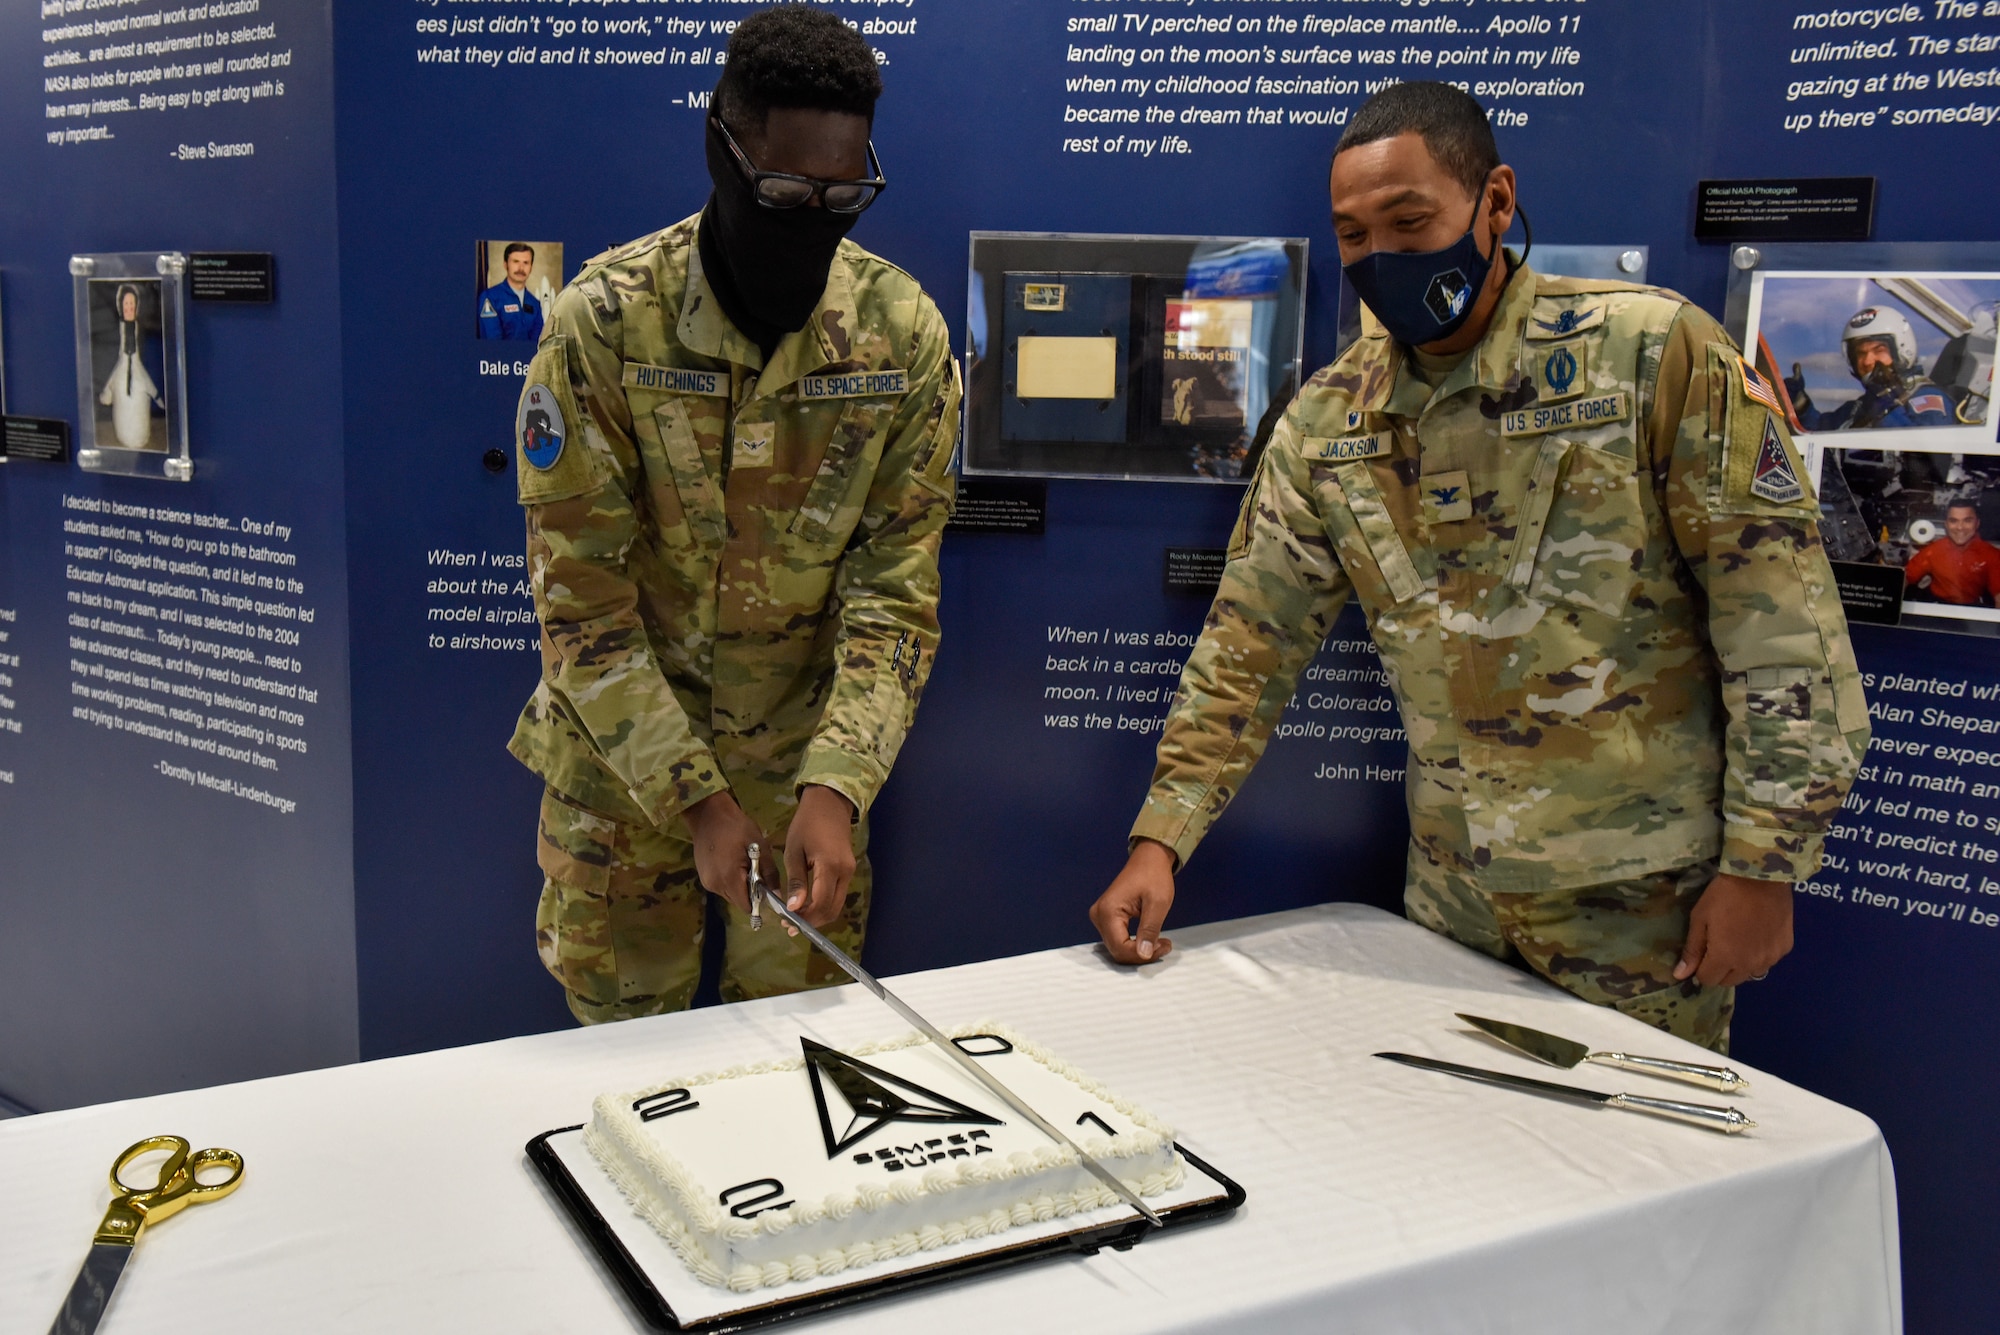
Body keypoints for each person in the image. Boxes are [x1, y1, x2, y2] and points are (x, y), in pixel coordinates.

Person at [1088, 83, 1870, 1052]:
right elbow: (1249, 640)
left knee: (1639, 1181)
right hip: (1450, 905)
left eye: (1407, 220)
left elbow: (1779, 624)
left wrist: (1763, 868)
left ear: (1492, 203)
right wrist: (1159, 839)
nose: (1380, 256)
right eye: (1351, 234)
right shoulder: (1330, 422)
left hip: (1641, 915)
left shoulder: (1649, 354)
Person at [509, 5, 960, 1023]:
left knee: (791, 1077)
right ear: (722, 148)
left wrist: (838, 784)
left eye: (844, 193)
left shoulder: (899, 336)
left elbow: (893, 599)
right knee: (624, 1086)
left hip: (805, 792)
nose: (815, 213)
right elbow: (580, 610)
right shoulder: (606, 322)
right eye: (785, 189)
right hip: (624, 787)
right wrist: (696, 801)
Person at [1787, 306, 1955, 430]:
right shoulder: (1859, 407)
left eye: (1878, 350)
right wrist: (1801, 405)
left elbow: (1926, 456)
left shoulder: (1926, 398)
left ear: (1903, 349)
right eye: (1860, 354)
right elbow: (1819, 430)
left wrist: (1887, 407)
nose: (1867, 361)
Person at [99, 284, 162, 450]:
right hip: (121, 436)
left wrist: (157, 397)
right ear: (121, 306)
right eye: (126, 304)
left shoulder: (138, 365)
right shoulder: (120, 363)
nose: (129, 308)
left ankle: (138, 435)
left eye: (132, 304)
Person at [1904, 500, 2000, 607]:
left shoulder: (1992, 555)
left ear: (1977, 523)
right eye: (1953, 521)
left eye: (1967, 521)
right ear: (1946, 525)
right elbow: (1904, 578)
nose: (1960, 527)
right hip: (1935, 604)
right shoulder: (1932, 551)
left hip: (1972, 607)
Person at [478, 243, 545, 342]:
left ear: (531, 267)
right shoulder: (490, 298)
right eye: (516, 261)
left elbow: (539, 342)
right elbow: (492, 341)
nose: (521, 268)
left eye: (526, 263)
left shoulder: (535, 304)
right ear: (505, 265)